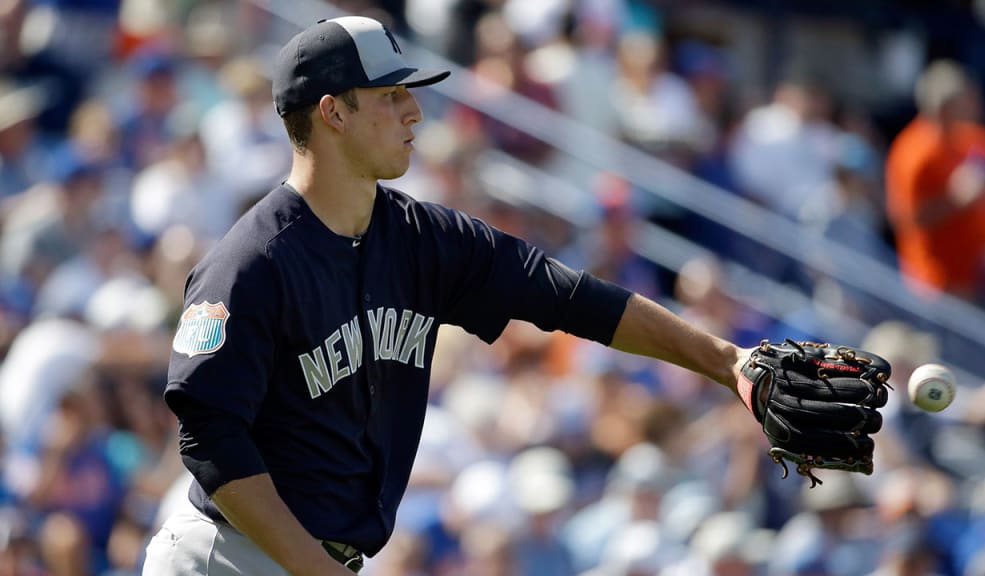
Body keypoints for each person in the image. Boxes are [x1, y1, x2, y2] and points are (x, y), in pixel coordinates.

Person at [140, 16, 795, 576]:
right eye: (391, 95)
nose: (414, 110)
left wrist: (723, 360)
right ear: (333, 112)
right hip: (226, 560)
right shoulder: (250, 263)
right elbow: (211, 441)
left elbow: (567, 297)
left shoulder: (423, 239)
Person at [885, 59, 985, 301]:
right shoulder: (915, 153)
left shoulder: (963, 136)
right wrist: (956, 199)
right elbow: (906, 219)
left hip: (978, 276)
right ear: (946, 106)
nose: (977, 104)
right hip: (939, 286)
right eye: (968, 98)